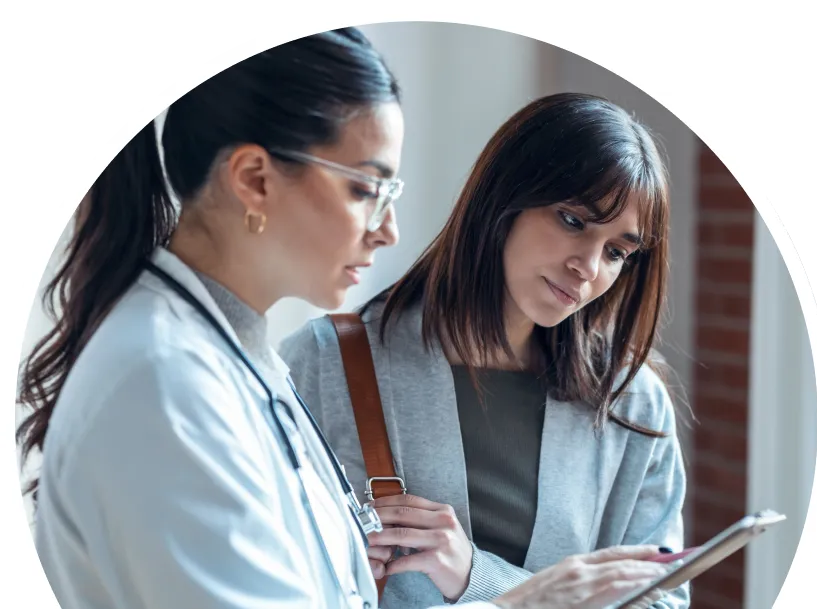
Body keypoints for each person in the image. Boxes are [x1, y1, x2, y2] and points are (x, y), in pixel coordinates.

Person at [16, 28, 672, 609]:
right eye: (364, 187)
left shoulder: (233, 361)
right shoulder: (167, 379)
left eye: (618, 251)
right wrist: (521, 600)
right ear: (254, 178)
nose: (388, 231)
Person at [279, 92, 690, 609]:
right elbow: (270, 578)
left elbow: (662, 601)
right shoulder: (325, 363)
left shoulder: (631, 403)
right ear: (504, 199)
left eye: (616, 252)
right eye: (572, 220)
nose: (587, 267)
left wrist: (479, 576)